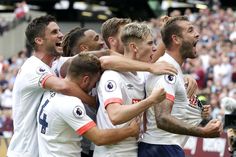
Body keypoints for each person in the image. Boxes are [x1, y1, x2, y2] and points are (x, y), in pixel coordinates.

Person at [7, 15, 95, 157]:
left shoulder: (52, 64)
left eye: (59, 31)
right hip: (25, 152)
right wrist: (95, 103)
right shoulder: (32, 67)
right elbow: (64, 87)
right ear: (39, 40)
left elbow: (83, 60)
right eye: (54, 32)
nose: (61, 35)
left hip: (40, 151)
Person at [138, 16, 222, 157]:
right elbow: (162, 118)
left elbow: (175, 109)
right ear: (176, 39)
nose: (197, 33)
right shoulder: (167, 71)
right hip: (161, 148)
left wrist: (198, 111)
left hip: (163, 147)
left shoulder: (174, 69)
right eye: (190, 30)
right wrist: (203, 132)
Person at [37, 53, 142, 157]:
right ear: (86, 79)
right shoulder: (70, 103)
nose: (93, 88)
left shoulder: (49, 92)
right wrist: (130, 131)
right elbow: (99, 138)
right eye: (94, 82)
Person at [93, 22, 166, 157]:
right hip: (111, 153)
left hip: (133, 149)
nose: (154, 48)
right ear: (134, 47)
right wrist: (151, 100)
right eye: (150, 44)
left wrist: (187, 78)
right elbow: (115, 116)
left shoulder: (142, 75)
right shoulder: (112, 76)